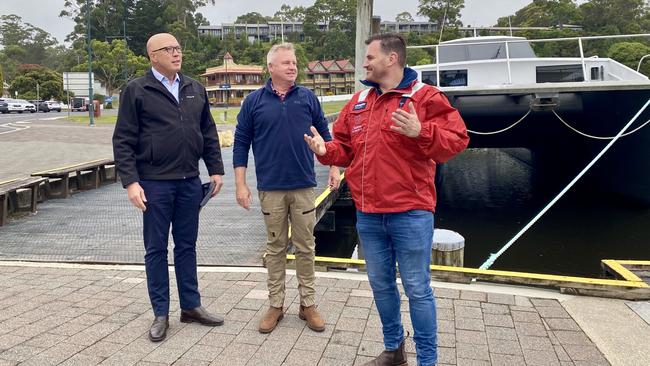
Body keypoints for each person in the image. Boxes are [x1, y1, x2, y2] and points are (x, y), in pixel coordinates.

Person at [304, 33, 469, 366]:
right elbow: (346, 149)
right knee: (381, 286)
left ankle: (427, 360)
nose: (364, 63)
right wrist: (326, 152)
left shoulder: (425, 97)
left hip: (410, 213)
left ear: (391, 58)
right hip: (368, 213)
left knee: (417, 290)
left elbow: (457, 140)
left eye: (370, 57)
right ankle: (394, 350)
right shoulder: (359, 101)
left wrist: (420, 131)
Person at [112, 33, 226, 342]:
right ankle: (160, 312)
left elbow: (208, 131)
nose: (176, 53)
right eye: (168, 49)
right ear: (153, 56)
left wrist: (215, 169)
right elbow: (123, 139)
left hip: (189, 183)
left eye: (178, 48)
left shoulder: (194, 88)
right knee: (156, 249)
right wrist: (131, 182)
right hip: (155, 184)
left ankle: (191, 306)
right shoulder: (137, 90)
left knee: (187, 247)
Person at [233, 43, 341, 334]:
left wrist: (334, 167)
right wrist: (241, 184)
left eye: (294, 63)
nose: (292, 67)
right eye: (286, 63)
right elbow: (241, 144)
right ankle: (276, 305)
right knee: (276, 248)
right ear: (271, 67)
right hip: (271, 188)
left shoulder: (308, 98)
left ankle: (308, 304)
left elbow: (326, 137)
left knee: (306, 247)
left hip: (304, 185)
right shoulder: (253, 102)